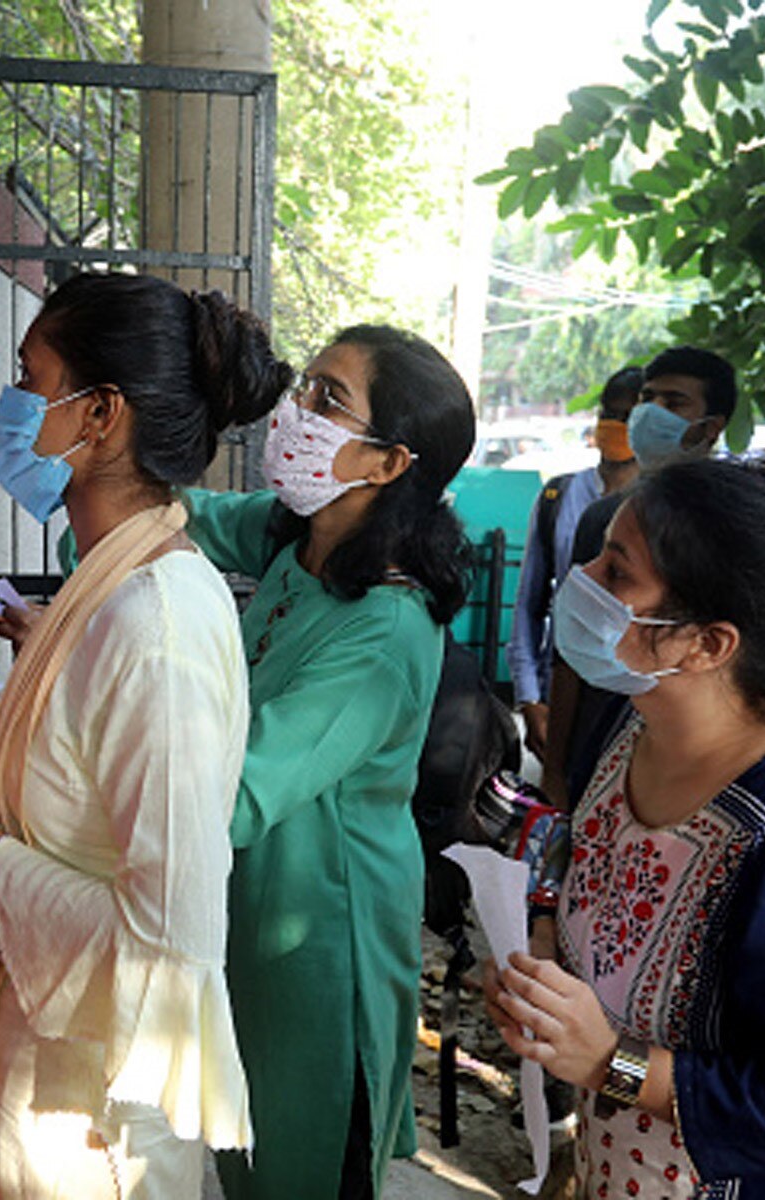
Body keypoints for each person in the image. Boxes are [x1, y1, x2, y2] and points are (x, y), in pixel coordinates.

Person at [0, 271, 292, 1198]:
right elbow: (63, 760)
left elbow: (166, 946)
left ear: (99, 415)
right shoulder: (117, 576)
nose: (12, 406)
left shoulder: (156, 621)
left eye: (29, 377)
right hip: (49, 1067)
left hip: (92, 1122)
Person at [178, 325, 476, 1199]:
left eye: (327, 400)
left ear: (388, 464)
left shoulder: (381, 630)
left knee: (303, 1161)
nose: (294, 411)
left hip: (321, 943)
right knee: (245, 1148)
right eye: (305, 386)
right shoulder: (297, 540)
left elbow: (231, 796)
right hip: (255, 907)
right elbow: (172, 519)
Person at [485, 454, 765, 1199]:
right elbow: (577, 841)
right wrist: (541, 939)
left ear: (708, 643)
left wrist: (610, 1065)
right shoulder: (630, 719)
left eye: (616, 573)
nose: (580, 578)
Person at [540, 346, 737, 808]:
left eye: (673, 403)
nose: (651, 413)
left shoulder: (733, 529)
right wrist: (554, 768)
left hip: (690, 751)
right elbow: (570, 649)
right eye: (647, 398)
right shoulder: (603, 519)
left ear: (710, 428)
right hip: (600, 739)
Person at [506, 366, 642, 761]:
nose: (613, 426)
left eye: (627, 417)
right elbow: (531, 603)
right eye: (608, 414)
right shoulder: (559, 495)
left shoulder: (656, 509)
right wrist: (529, 696)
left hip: (627, 698)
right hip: (560, 686)